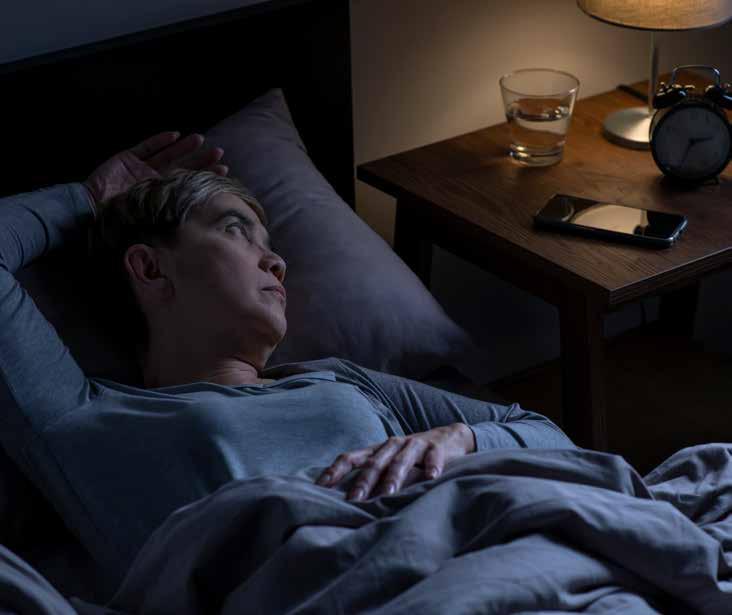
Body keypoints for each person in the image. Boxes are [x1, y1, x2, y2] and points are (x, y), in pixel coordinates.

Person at [0, 132, 575, 592]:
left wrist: (459, 440)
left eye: (269, 244)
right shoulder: (80, 416)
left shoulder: (337, 379)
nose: (276, 261)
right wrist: (86, 198)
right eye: (236, 232)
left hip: (479, 561)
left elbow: (552, 440)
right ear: (150, 269)